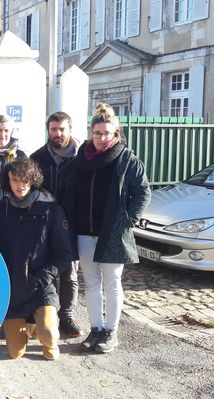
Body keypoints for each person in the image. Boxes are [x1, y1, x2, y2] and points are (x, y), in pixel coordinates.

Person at [60, 103, 150, 354]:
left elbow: (143, 192)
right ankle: (96, 328)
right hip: (84, 232)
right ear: (91, 133)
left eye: (106, 134)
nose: (101, 138)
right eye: (97, 133)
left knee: (112, 283)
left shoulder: (126, 159)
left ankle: (111, 331)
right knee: (90, 283)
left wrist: (128, 221)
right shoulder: (79, 161)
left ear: (115, 134)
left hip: (112, 233)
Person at [0, 157, 72, 360]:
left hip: (40, 285)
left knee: (49, 338)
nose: (19, 185)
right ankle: (26, 327)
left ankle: (41, 328)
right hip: (12, 289)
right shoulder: (0, 210)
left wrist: (43, 277)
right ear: (8, 181)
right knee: (15, 352)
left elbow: (63, 255)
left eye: (24, 180)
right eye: (14, 180)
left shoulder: (51, 210)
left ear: (32, 180)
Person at [30, 111, 82, 338]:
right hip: (44, 222)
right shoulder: (37, 157)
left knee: (69, 271)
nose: (58, 133)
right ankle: (40, 313)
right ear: (48, 130)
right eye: (53, 129)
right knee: (43, 268)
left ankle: (67, 316)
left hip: (73, 221)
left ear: (69, 129)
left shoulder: (83, 158)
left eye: (62, 129)